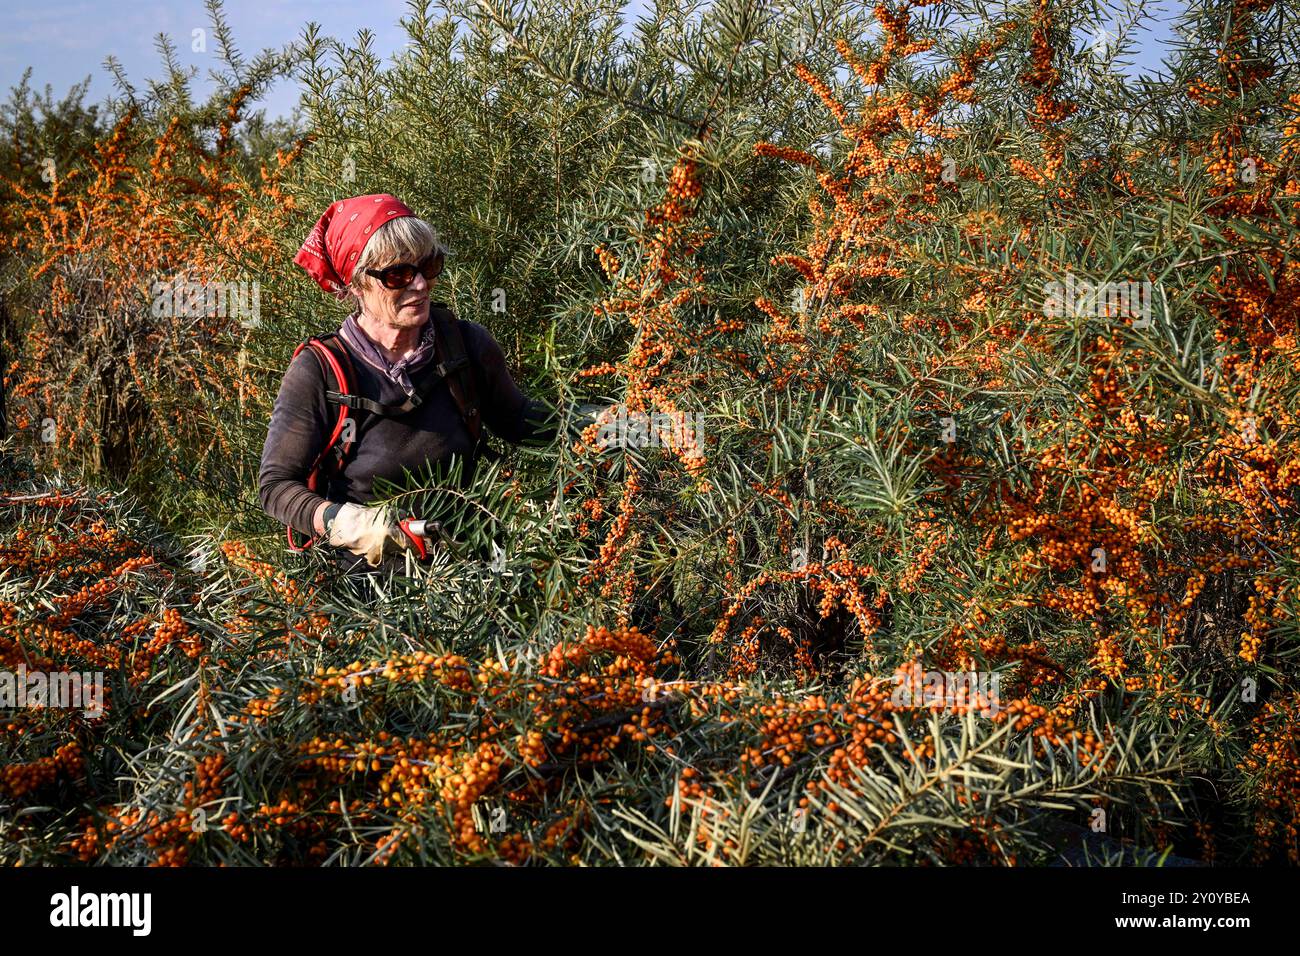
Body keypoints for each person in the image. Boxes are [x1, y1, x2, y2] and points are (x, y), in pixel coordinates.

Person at [258, 193, 558, 577]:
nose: (419, 284)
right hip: (374, 600)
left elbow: (519, 420)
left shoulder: (465, 345)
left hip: (474, 574)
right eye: (397, 274)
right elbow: (276, 486)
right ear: (357, 283)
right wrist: (348, 524)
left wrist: (612, 425)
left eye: (428, 266)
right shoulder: (321, 371)